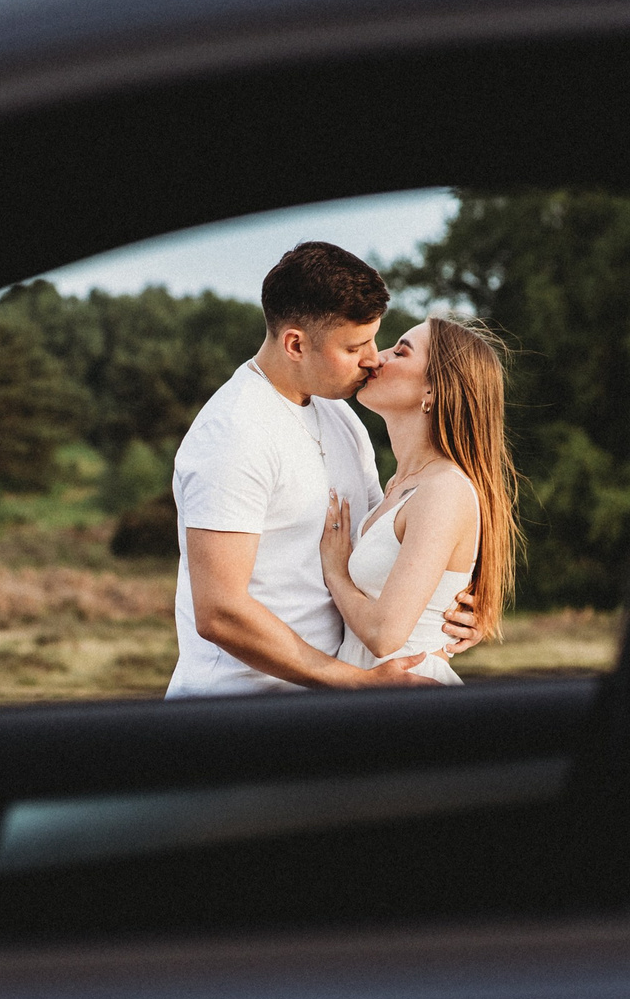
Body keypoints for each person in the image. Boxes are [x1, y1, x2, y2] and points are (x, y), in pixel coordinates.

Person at [166, 242, 477, 698]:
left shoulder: (341, 418)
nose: (373, 358)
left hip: (321, 706)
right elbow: (219, 612)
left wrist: (453, 612)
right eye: (354, 346)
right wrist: (359, 683)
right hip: (234, 709)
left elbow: (379, 549)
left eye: (375, 339)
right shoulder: (233, 433)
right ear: (295, 344)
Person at [320, 316, 519, 687]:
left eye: (400, 351)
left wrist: (336, 573)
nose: (376, 358)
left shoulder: (444, 489)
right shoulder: (400, 484)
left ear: (432, 390)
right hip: (372, 692)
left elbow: (384, 635)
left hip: (408, 694)